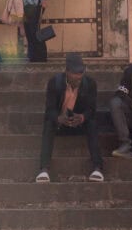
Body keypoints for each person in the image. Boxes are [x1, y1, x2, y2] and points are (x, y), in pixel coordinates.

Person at [35, 52, 104, 183]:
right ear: (67, 71)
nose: (79, 76)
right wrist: (59, 118)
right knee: (49, 123)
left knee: (92, 123)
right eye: (75, 73)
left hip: (80, 123)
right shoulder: (54, 83)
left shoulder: (90, 84)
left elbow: (91, 110)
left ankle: (97, 168)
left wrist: (82, 117)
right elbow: (49, 110)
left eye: (81, 72)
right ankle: (44, 169)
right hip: (61, 124)